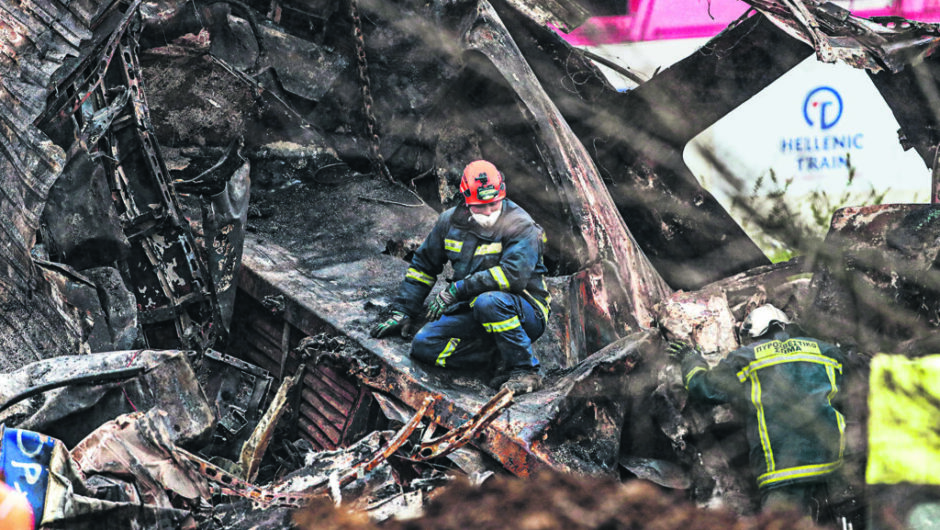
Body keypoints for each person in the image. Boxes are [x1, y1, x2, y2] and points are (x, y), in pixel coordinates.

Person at [370, 160, 551, 395]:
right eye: (480, 206)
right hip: (473, 307)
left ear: (502, 195)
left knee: (489, 302)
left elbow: (512, 277)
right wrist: (404, 310)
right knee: (423, 345)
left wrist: (456, 290)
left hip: (524, 311)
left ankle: (525, 370)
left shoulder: (521, 225)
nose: (488, 212)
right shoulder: (449, 222)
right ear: (466, 199)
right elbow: (424, 266)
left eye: (494, 204)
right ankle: (495, 358)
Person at [669, 304, 846, 521]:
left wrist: (690, 358)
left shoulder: (748, 357)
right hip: (833, 466)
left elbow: (704, 388)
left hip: (782, 471)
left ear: (753, 335)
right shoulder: (827, 352)